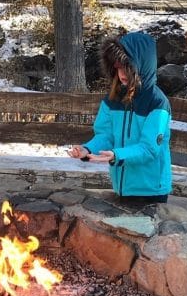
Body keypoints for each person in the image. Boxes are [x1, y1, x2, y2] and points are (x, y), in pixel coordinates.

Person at [68, 31, 172, 204]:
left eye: (127, 66)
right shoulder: (113, 98)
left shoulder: (157, 102)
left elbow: (149, 149)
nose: (121, 72)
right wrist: (88, 149)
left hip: (151, 190)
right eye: (117, 66)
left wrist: (116, 155)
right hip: (122, 186)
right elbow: (106, 135)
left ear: (141, 65)